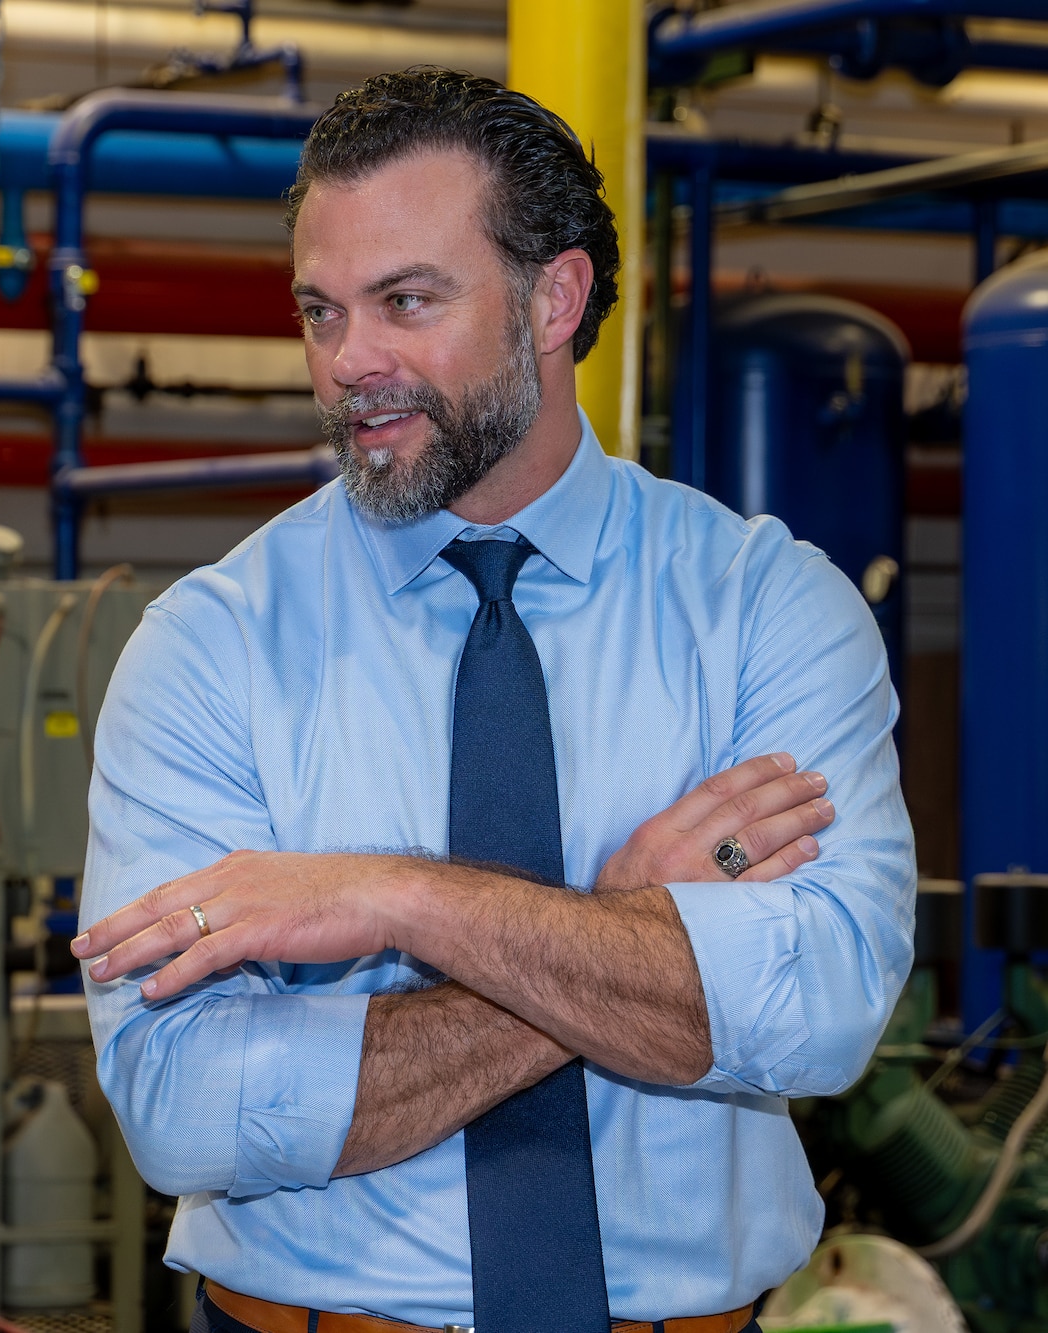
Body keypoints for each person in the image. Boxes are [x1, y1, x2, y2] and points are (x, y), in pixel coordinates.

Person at [73, 70, 913, 1333]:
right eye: (320, 310)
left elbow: (820, 1009)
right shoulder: (210, 648)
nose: (350, 362)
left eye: (404, 301)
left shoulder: (762, 607)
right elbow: (182, 1111)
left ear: (552, 299)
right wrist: (618, 932)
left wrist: (392, 894)